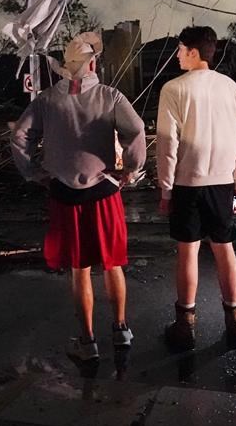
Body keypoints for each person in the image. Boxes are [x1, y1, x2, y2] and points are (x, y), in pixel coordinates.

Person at [11, 32, 146, 362]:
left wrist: (33, 172)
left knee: (80, 268)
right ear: (93, 64)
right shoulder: (109, 96)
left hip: (63, 194)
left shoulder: (46, 100)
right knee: (113, 264)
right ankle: (121, 329)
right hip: (103, 192)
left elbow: (20, 135)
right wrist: (129, 170)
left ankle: (87, 342)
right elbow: (137, 130)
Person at [156, 25, 236, 350]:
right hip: (222, 182)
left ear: (192, 51)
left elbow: (166, 144)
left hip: (188, 183)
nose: (176, 55)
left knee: (188, 251)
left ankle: (185, 325)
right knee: (224, 247)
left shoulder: (173, 90)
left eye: (179, 49)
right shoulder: (230, 88)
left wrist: (165, 189)